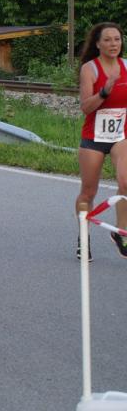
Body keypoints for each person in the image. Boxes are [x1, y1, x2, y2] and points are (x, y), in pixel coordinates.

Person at [75, 21, 127, 261]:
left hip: (120, 136)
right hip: (94, 137)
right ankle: (83, 237)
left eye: (117, 39)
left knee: (126, 182)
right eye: (107, 40)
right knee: (88, 191)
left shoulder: (126, 66)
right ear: (97, 44)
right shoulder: (90, 69)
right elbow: (86, 107)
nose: (113, 44)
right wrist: (105, 90)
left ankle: (121, 233)